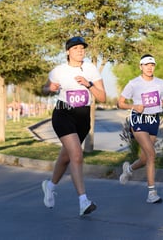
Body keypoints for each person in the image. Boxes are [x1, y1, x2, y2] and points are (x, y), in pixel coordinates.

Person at [41, 36, 106, 216]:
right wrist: (50, 89)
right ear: (68, 51)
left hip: (83, 118)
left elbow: (102, 97)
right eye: (76, 48)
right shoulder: (58, 71)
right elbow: (45, 89)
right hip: (63, 114)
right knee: (76, 154)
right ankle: (83, 201)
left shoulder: (91, 69)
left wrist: (89, 84)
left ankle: (50, 186)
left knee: (66, 157)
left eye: (82, 48)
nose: (80, 50)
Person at [117, 54, 163, 204]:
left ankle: (129, 169)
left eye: (152, 65)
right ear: (141, 67)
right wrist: (134, 106)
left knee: (146, 157)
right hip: (138, 119)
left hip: (153, 119)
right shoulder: (133, 83)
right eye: (146, 65)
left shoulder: (160, 83)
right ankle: (152, 193)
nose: (149, 67)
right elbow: (120, 103)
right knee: (152, 154)